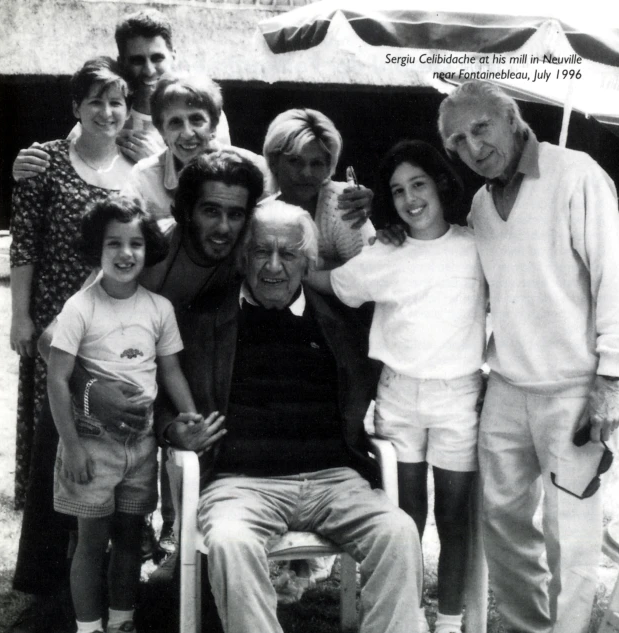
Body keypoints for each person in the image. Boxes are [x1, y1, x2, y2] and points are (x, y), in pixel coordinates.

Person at [9, 149, 262, 633]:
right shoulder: (144, 251)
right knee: (75, 501)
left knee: (131, 519)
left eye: (236, 214)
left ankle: (159, 586)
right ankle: (59, 601)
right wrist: (91, 392)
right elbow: (50, 343)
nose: (224, 226)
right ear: (186, 211)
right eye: (211, 210)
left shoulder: (240, 252)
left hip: (157, 375)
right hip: (88, 381)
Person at [156, 200, 424, 633]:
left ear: (309, 262)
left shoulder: (340, 319)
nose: (274, 266)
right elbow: (167, 392)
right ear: (243, 259)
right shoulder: (202, 319)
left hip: (335, 479)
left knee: (398, 533)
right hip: (241, 484)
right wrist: (173, 430)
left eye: (289, 254)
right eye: (262, 252)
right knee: (230, 541)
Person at [437, 80, 619, 633]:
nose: (472, 148)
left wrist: (611, 380)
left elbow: (617, 279)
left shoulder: (577, 174)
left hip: (575, 389)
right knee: (501, 524)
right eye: (458, 141)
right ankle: (528, 626)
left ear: (512, 117)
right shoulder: (479, 203)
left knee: (570, 534)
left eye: (481, 129)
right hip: (505, 387)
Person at [307, 140, 486, 633]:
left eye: (419, 184)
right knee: (406, 519)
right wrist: (289, 264)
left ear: (442, 184)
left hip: (458, 396)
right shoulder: (385, 250)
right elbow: (332, 282)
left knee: (453, 517)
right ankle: (405, 616)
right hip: (399, 396)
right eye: (398, 190)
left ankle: (449, 621)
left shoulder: (475, 246)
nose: (410, 199)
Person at [48, 195, 200, 633]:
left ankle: (121, 621)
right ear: (96, 250)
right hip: (92, 444)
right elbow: (58, 379)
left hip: (142, 444)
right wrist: (73, 449)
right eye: (112, 243)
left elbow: (170, 369)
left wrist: (189, 416)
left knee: (132, 536)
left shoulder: (158, 308)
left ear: (148, 249)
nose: (125, 253)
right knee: (91, 542)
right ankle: (88, 626)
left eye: (134, 243)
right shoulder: (80, 308)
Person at [9, 56, 134, 511]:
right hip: (53, 314)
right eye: (95, 102)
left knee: (102, 416)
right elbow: (24, 245)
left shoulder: (138, 167)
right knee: (57, 417)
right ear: (76, 107)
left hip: (112, 315)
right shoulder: (44, 161)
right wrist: (20, 317)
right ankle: (47, 546)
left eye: (116, 102)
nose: (107, 112)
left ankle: (103, 528)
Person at [11, 8, 231, 180]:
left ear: (174, 55)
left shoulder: (200, 112)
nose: (149, 70)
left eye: (157, 58)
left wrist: (159, 166)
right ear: (122, 62)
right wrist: (26, 167)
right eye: (137, 60)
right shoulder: (108, 112)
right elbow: (68, 165)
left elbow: (220, 181)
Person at [122, 72, 265, 231]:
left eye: (196, 119)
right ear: (162, 132)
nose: (188, 133)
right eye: (175, 122)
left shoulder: (255, 168)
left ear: (213, 125)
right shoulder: (144, 177)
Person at [262, 108, 375, 269]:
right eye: (295, 161)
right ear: (273, 162)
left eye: (316, 163)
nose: (306, 173)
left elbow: (368, 276)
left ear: (328, 167)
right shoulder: (263, 211)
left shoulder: (343, 206)